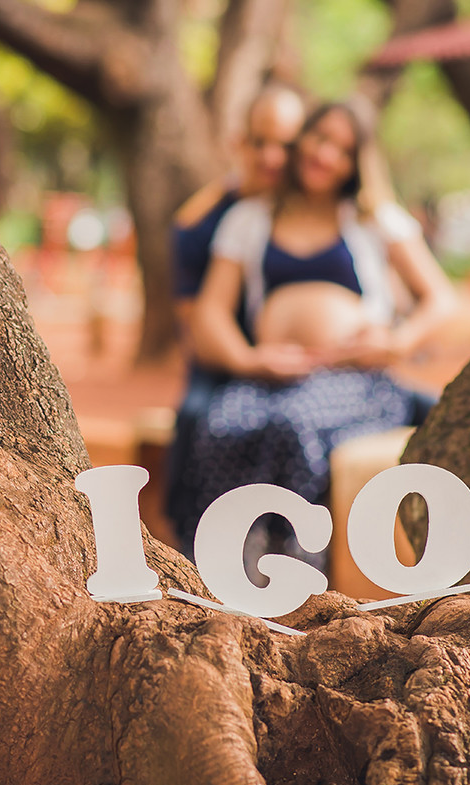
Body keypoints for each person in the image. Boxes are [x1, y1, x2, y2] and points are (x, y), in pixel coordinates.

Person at [174, 100, 457, 572]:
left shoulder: (373, 218)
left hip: (355, 382)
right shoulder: (250, 218)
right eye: (320, 138)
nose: (326, 156)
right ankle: (225, 560)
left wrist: (397, 343)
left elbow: (441, 299)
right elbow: (210, 313)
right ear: (301, 139)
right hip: (271, 378)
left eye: (342, 150)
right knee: (220, 424)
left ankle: (297, 565)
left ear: (356, 163)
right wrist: (248, 360)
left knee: (293, 426)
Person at [163, 84, 307, 554]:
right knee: (195, 416)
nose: (272, 156)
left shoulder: (314, 206)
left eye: (285, 144)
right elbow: (197, 325)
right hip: (223, 361)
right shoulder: (200, 225)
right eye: (259, 142)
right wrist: (248, 358)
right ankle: (191, 541)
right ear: (237, 142)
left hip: (301, 363)